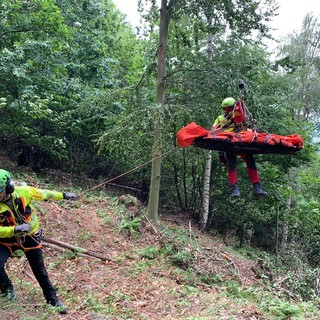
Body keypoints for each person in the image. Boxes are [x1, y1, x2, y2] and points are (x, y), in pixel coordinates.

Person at [0, 169, 78, 314]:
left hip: (30, 237)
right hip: (6, 240)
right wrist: (14, 230)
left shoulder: (24, 192)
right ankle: (7, 289)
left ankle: (52, 299)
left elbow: (45, 193)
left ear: (8, 187)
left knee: (40, 270)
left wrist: (65, 195)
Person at [212, 97, 267, 198]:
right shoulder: (220, 119)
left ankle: (257, 187)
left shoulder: (241, 118)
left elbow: (249, 129)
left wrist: (251, 125)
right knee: (231, 161)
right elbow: (212, 132)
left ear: (234, 108)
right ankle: (234, 188)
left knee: (250, 160)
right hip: (229, 144)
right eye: (225, 109)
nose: (227, 111)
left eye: (229, 108)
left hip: (242, 143)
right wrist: (223, 129)